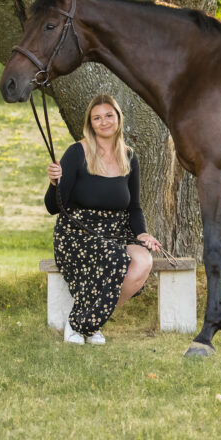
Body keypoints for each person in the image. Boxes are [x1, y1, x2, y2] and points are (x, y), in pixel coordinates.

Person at [44, 94, 160, 345]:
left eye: (109, 115)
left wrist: (142, 234)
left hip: (115, 231)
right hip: (77, 231)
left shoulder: (129, 157)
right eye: (97, 118)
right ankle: (80, 324)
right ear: (90, 123)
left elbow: (135, 208)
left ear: (118, 118)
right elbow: (53, 207)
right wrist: (55, 183)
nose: (104, 121)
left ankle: (89, 320)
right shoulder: (77, 152)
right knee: (116, 257)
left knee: (143, 261)